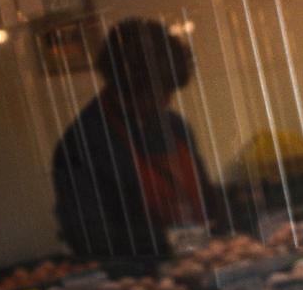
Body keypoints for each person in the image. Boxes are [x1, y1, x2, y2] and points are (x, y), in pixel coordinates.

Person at [52, 19, 216, 257]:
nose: (168, 101)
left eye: (169, 91)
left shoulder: (176, 127)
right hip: (139, 278)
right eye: (159, 92)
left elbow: (208, 203)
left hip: (203, 261)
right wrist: (172, 242)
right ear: (126, 88)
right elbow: (92, 238)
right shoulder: (82, 144)